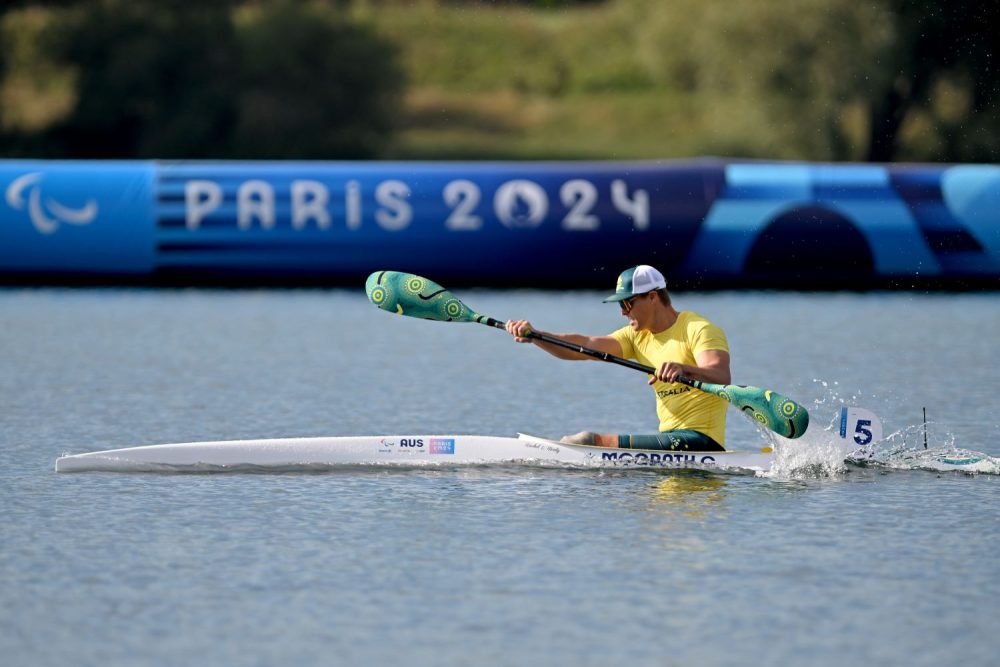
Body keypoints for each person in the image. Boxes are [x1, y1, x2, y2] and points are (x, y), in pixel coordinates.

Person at [505, 265, 731, 451]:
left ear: (652, 297)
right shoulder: (637, 336)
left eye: (627, 303)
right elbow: (584, 346)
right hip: (672, 441)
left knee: (586, 442)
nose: (623, 312)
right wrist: (537, 337)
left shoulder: (698, 329)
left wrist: (684, 369)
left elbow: (721, 376)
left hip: (702, 441)